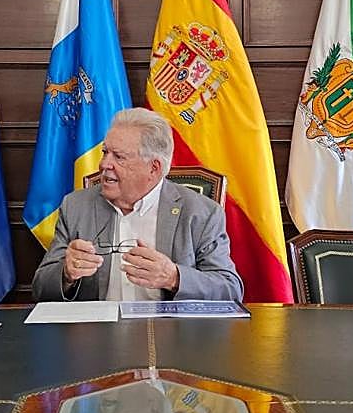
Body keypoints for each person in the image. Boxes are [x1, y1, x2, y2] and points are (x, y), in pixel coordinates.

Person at [31, 108, 242, 302]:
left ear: (154, 168)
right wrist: (66, 274)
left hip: (169, 335)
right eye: (105, 152)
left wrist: (174, 278)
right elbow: (40, 289)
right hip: (96, 336)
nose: (104, 164)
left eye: (119, 157)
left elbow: (230, 289)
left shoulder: (201, 213)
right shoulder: (76, 206)